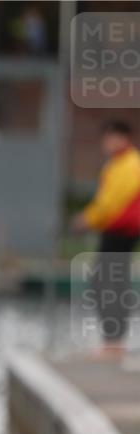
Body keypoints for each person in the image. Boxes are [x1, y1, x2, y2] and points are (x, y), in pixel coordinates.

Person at [72, 120, 140, 359]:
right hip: (117, 231)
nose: (107, 143)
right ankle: (114, 341)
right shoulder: (117, 164)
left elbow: (111, 203)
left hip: (121, 231)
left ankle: (114, 342)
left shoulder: (128, 165)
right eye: (106, 138)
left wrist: (86, 219)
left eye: (112, 138)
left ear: (124, 138)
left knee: (108, 282)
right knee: (109, 282)